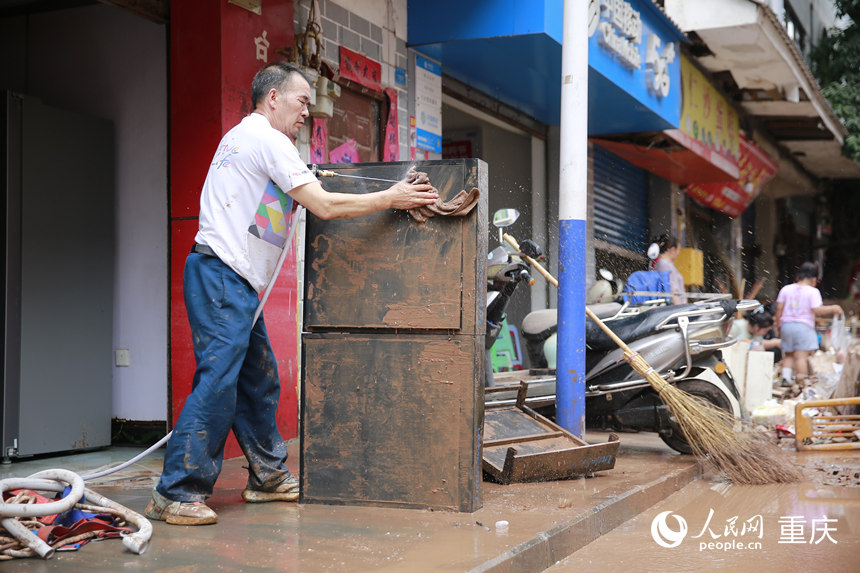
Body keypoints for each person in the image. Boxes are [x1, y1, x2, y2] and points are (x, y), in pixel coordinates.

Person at [144, 62, 438, 526]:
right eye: (303, 101)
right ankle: (175, 492)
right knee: (218, 383)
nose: (308, 112)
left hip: (228, 278)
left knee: (256, 380)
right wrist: (391, 198)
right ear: (273, 97)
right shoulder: (267, 139)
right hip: (223, 276)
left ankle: (267, 476)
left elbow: (286, 201)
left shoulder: (245, 138)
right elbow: (321, 204)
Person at [774, 262, 843, 385]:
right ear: (813, 279)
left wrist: (778, 326)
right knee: (801, 357)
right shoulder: (812, 291)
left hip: (786, 326)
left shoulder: (786, 289)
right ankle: (802, 383)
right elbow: (817, 309)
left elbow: (779, 309)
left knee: (789, 355)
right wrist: (833, 308)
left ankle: (785, 378)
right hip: (803, 327)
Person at [652, 234, 687, 305]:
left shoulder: (659, 263)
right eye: (678, 250)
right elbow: (673, 291)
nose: (678, 253)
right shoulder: (666, 266)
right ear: (673, 250)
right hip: (675, 308)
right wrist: (680, 311)